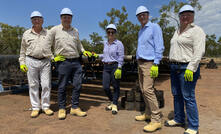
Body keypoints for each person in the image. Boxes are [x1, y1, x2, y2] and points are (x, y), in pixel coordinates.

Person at [45, 8, 92, 120]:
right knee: (62, 86)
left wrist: (83, 50)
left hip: (76, 61)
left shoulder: (75, 30)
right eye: (64, 17)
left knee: (78, 84)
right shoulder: (54, 30)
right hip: (63, 62)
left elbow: (79, 44)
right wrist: (53, 58)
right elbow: (46, 45)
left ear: (71, 18)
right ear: (61, 18)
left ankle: (74, 107)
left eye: (69, 17)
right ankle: (62, 108)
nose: (67, 19)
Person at [164, 5, 205, 134]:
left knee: (188, 97)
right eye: (182, 14)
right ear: (179, 17)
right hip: (174, 67)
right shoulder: (176, 31)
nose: (185, 16)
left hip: (186, 68)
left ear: (193, 16)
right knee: (176, 95)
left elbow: (199, 51)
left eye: (188, 14)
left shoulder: (197, 31)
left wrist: (191, 68)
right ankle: (179, 119)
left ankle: (193, 126)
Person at [134, 6, 164, 133]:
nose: (142, 16)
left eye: (144, 14)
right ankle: (147, 113)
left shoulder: (154, 27)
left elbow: (160, 46)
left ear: (148, 15)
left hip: (150, 63)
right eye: (139, 15)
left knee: (148, 90)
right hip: (140, 63)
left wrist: (156, 63)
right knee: (143, 89)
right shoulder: (140, 30)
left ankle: (156, 120)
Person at [19, 11, 53, 118]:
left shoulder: (49, 33)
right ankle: (35, 108)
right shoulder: (26, 34)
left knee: (46, 84)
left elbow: (55, 46)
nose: (36, 20)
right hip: (31, 60)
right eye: (34, 19)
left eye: (38, 18)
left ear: (42, 20)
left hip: (45, 61)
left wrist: (54, 57)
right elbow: (22, 51)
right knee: (33, 85)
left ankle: (46, 107)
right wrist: (22, 62)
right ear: (31, 21)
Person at [93, 24, 124, 115]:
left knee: (115, 86)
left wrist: (119, 67)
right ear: (106, 33)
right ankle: (112, 101)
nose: (110, 33)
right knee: (105, 87)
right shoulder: (105, 43)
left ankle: (114, 104)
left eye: (112, 32)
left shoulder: (119, 43)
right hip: (106, 67)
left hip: (115, 66)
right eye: (108, 32)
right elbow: (105, 55)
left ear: (115, 33)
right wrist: (96, 55)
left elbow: (121, 57)